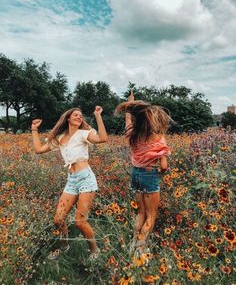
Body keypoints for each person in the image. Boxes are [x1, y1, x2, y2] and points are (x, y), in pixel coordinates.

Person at [31, 106, 108, 260]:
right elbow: (38, 150)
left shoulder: (84, 134)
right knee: (58, 220)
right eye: (75, 115)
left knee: (80, 222)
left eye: (81, 116)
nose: (79, 117)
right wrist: (34, 130)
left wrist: (98, 116)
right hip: (71, 181)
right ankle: (64, 245)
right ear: (68, 118)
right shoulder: (60, 138)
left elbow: (102, 139)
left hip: (86, 178)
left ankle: (94, 251)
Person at [115, 91, 171, 254]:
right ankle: (141, 248)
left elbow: (128, 120)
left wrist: (129, 105)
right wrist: (161, 169)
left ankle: (134, 243)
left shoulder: (131, 133)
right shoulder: (157, 135)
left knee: (140, 212)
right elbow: (165, 166)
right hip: (150, 174)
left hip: (136, 174)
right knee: (151, 215)